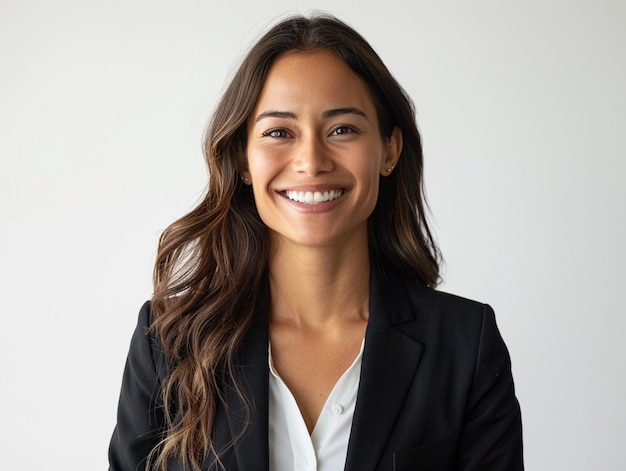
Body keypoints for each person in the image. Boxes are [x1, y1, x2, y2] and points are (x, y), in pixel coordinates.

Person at [108, 12, 523, 471]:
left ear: (388, 150)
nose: (311, 160)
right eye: (279, 133)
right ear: (243, 159)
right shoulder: (169, 340)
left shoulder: (465, 344)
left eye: (342, 129)